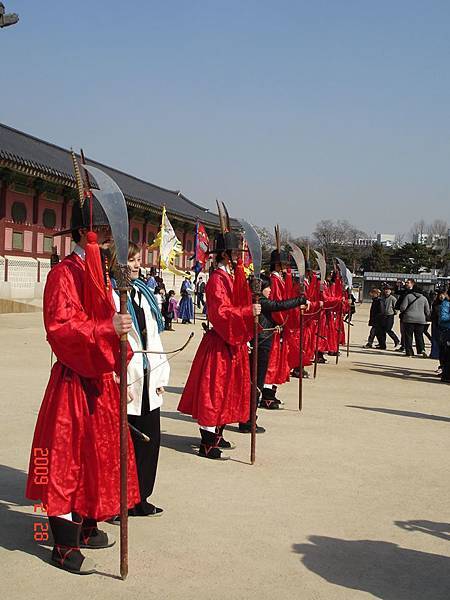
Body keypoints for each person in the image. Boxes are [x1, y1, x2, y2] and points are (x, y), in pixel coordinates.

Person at [25, 196, 140, 575]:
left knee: (99, 455)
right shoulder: (64, 274)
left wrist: (120, 343)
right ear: (83, 233)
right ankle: (59, 540)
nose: (108, 238)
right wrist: (108, 328)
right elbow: (60, 328)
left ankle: (87, 522)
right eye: (102, 230)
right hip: (73, 381)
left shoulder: (101, 273)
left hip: (101, 382)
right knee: (63, 460)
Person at [177, 223, 260, 460]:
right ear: (225, 255)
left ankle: (218, 432)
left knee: (229, 390)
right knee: (214, 391)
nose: (238, 257)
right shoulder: (216, 279)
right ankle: (207, 440)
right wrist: (247, 311)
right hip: (220, 342)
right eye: (235, 253)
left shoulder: (233, 276)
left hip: (233, 342)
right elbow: (220, 312)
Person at [111, 242, 170, 517]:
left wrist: (160, 374)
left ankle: (140, 497)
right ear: (116, 264)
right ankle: (117, 501)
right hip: (127, 377)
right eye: (131, 261)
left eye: (137, 260)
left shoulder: (144, 294)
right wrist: (116, 376)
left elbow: (154, 338)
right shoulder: (110, 296)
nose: (137, 265)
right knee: (123, 445)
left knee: (151, 441)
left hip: (148, 375)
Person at [247, 275, 309, 414]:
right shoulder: (260, 301)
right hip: (261, 343)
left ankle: (250, 416)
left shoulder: (260, 301)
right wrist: (299, 300)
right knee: (257, 380)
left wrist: (276, 325)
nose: (270, 290)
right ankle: (249, 418)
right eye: (267, 287)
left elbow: (270, 315)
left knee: (257, 380)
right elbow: (278, 305)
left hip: (263, 340)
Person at [399, 285, 431, 357]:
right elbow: (427, 311)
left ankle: (409, 352)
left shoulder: (408, 296)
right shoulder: (424, 298)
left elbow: (403, 308)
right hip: (421, 320)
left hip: (409, 319)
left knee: (408, 336)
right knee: (419, 336)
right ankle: (422, 350)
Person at [438, 289, 450, 382]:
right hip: (447, 331)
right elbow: (443, 318)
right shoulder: (445, 304)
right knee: (447, 355)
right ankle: (446, 375)